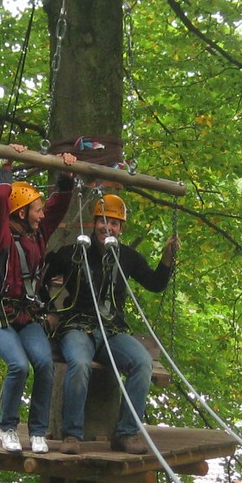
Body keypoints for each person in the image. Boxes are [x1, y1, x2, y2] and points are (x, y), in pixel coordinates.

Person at [44, 193, 179, 454]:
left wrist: (166, 260)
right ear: (94, 223)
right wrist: (49, 310)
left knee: (142, 363)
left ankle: (126, 433)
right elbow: (41, 276)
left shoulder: (127, 257)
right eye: (103, 221)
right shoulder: (74, 252)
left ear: (121, 229)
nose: (108, 227)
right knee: (80, 363)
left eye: (115, 223)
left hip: (112, 331)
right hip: (78, 326)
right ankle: (72, 435)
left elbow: (155, 284)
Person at [0, 147, 76, 454]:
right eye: (36, 210)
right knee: (19, 365)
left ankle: (37, 431)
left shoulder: (38, 235)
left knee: (44, 363)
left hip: (26, 317)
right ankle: (7, 428)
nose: (42, 214)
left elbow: (57, 207)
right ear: (21, 213)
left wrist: (66, 177)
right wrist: (6, 167)